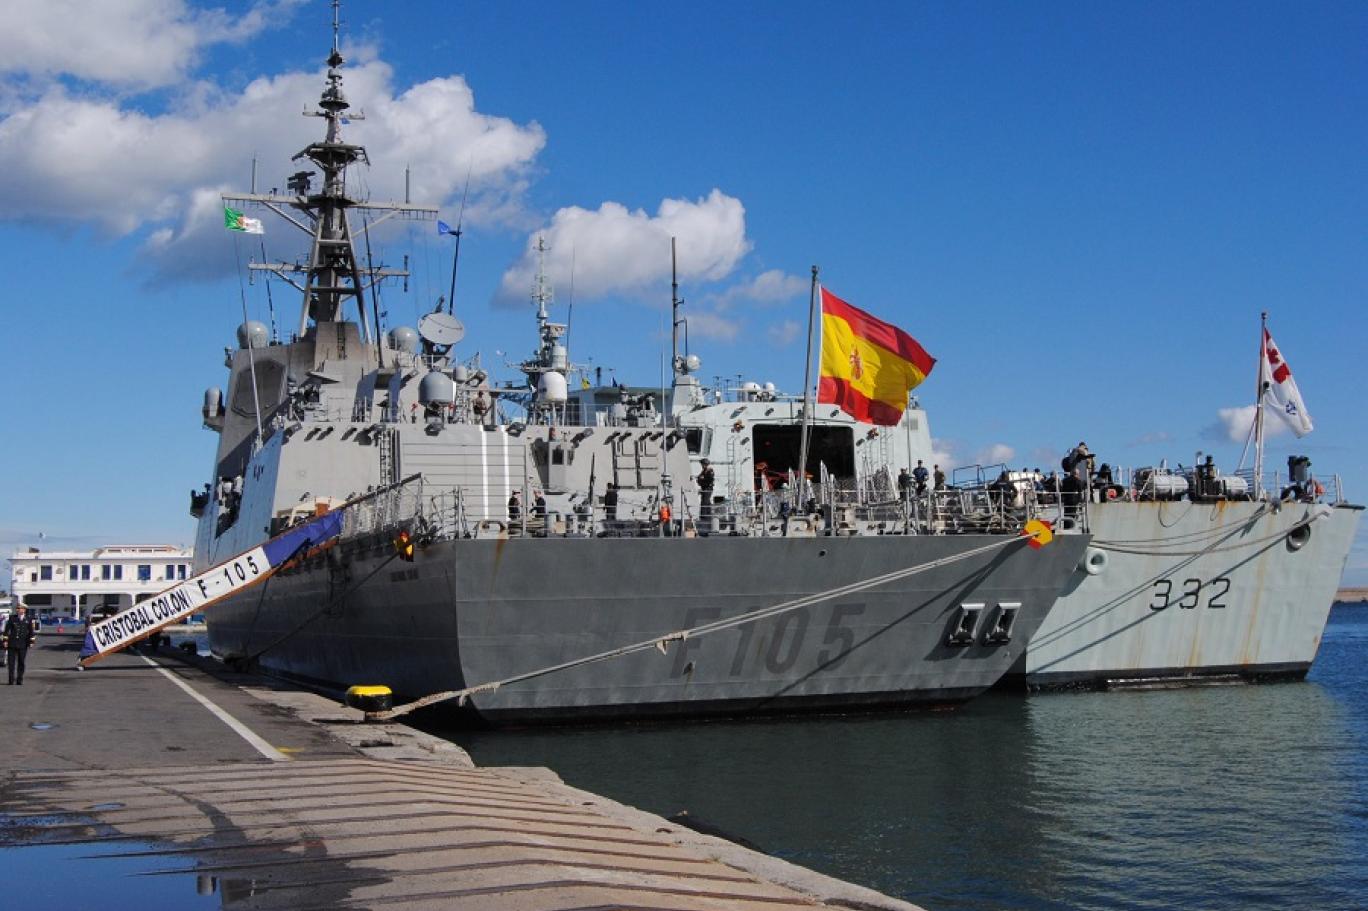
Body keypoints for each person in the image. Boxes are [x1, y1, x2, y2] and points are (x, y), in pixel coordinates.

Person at [3, 604, 38, 685]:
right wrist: (5, 641)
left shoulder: (28, 619)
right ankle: (11, 680)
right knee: (11, 663)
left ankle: (19, 679)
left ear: (24, 610)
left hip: (23, 644)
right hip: (12, 643)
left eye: (20, 608)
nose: (18, 609)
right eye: (17, 608)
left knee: (21, 662)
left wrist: (31, 642)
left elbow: (31, 632)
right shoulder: (12, 618)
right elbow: (6, 631)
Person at [697, 459, 715, 528]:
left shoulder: (710, 471)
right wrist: (701, 480)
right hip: (704, 489)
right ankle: (705, 517)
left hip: (708, 489)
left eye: (702, 464)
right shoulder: (704, 471)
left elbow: (710, 480)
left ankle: (705, 518)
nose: (702, 465)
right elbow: (699, 479)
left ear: (705, 464)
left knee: (705, 503)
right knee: (705, 503)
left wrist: (702, 480)